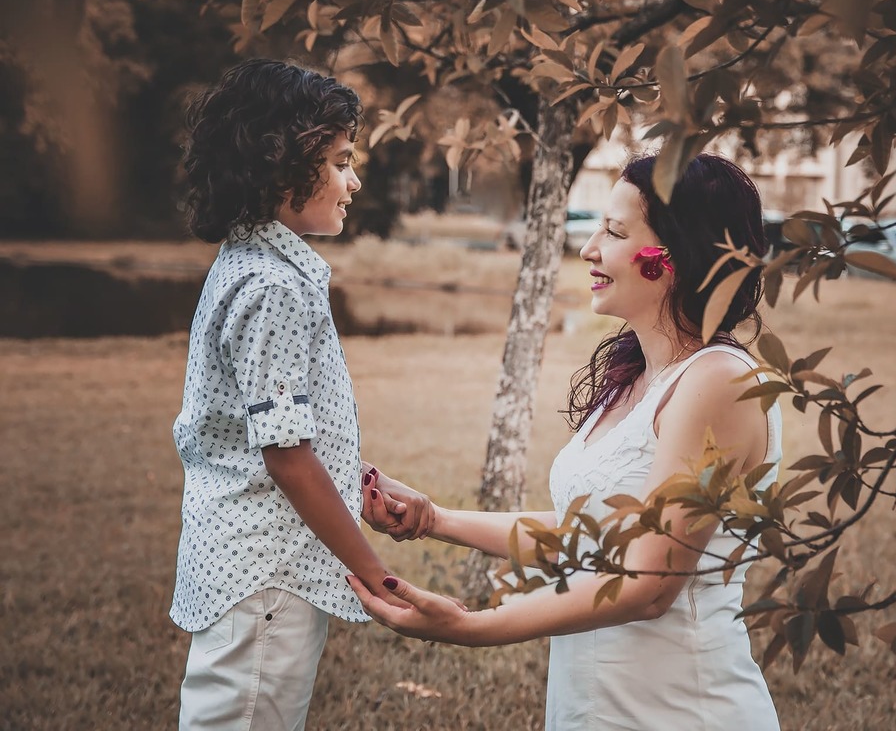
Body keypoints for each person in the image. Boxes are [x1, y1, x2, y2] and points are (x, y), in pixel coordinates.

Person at [355, 152, 782, 729]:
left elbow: (648, 584)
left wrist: (472, 627)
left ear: (676, 255)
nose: (588, 249)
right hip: (596, 707)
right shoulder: (636, 377)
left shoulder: (718, 382)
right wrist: (435, 520)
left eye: (614, 231)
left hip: (680, 709)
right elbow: (593, 540)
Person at [169, 59, 424, 730]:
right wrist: (375, 574)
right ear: (282, 168)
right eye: (341, 161)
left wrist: (362, 478)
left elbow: (281, 434)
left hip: (255, 573)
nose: (353, 180)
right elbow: (285, 456)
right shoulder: (272, 287)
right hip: (266, 580)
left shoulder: (252, 263)